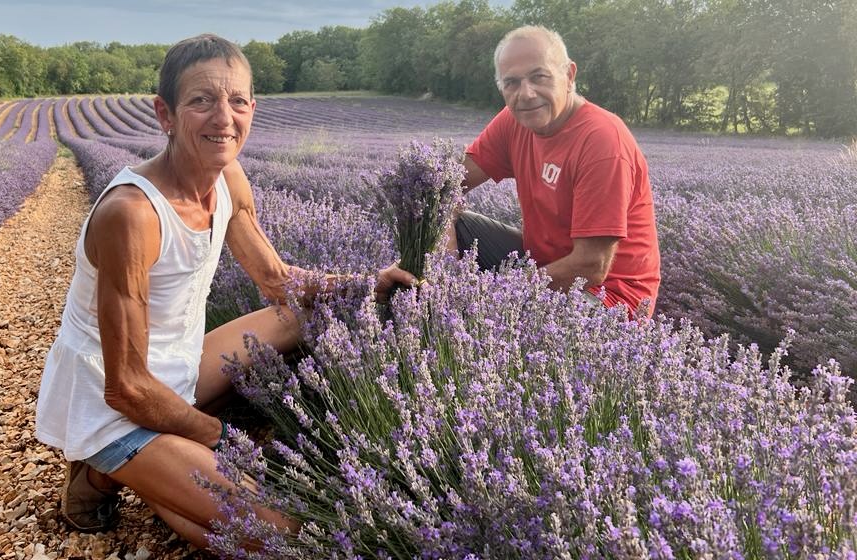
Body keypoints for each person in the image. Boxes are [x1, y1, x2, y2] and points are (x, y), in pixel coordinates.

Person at [34, 34, 413, 548]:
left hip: (179, 367)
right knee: (277, 536)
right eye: (201, 100)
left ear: (252, 108)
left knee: (312, 314)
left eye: (237, 101)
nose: (223, 117)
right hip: (116, 406)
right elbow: (124, 386)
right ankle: (109, 468)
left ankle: (158, 475)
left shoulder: (228, 177)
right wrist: (221, 440)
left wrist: (367, 282)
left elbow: (279, 283)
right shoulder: (132, 214)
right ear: (164, 114)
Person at [451, 25, 661, 317]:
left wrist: (496, 296)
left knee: (500, 325)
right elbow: (445, 185)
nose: (526, 93)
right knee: (458, 223)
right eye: (511, 82)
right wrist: (430, 265)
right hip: (542, 267)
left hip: (607, 299)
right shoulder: (514, 121)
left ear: (569, 76)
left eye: (539, 76)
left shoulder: (601, 140)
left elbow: (591, 266)